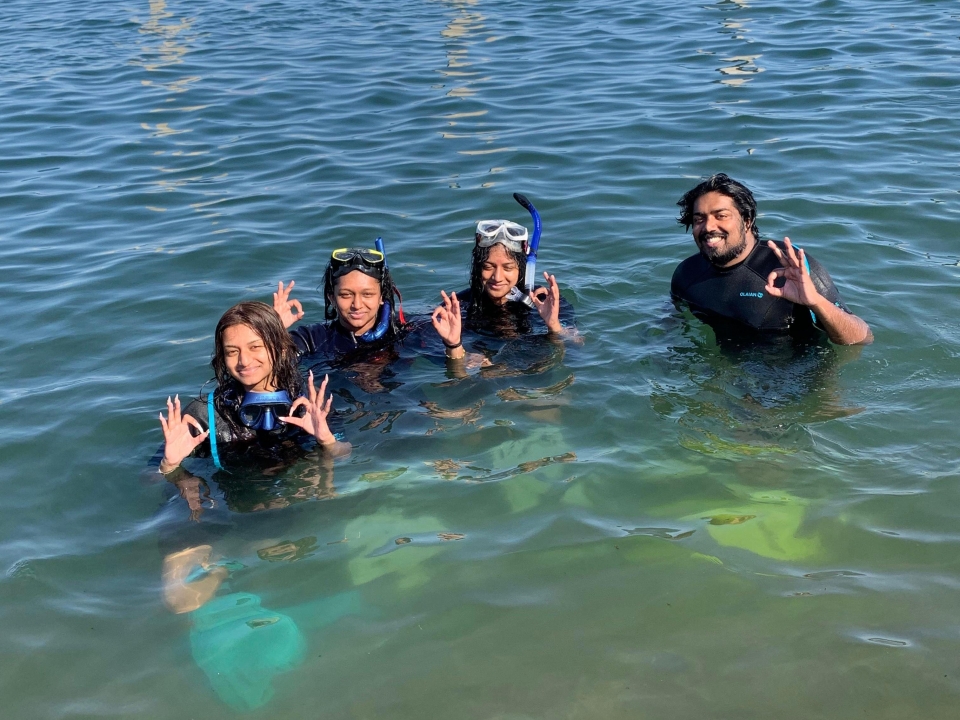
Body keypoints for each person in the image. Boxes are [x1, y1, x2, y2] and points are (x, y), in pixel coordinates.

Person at [671, 173, 872, 345]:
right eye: (699, 219)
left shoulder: (791, 267)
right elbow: (673, 322)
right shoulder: (686, 274)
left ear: (747, 221)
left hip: (798, 376)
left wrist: (815, 301)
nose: (708, 227)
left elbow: (863, 337)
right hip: (731, 373)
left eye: (721, 215)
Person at [157, 301, 348, 477]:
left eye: (255, 347)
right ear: (222, 358)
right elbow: (149, 478)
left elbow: (344, 455)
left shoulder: (309, 402)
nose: (244, 361)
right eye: (232, 352)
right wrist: (168, 464)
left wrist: (328, 441)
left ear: (281, 348)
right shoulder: (202, 416)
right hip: (233, 507)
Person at [431, 215, 575, 365]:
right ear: (477, 267)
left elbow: (576, 347)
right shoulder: (458, 309)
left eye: (508, 267)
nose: (497, 277)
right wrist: (454, 345)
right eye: (488, 267)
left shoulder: (545, 301)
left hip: (537, 375)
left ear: (521, 268)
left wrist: (554, 325)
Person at [273, 244, 406, 359]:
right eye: (346, 295)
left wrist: (428, 331)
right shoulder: (311, 339)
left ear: (382, 296)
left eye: (367, 294)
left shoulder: (404, 331)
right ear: (332, 297)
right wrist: (273, 329)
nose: (357, 305)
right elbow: (272, 365)